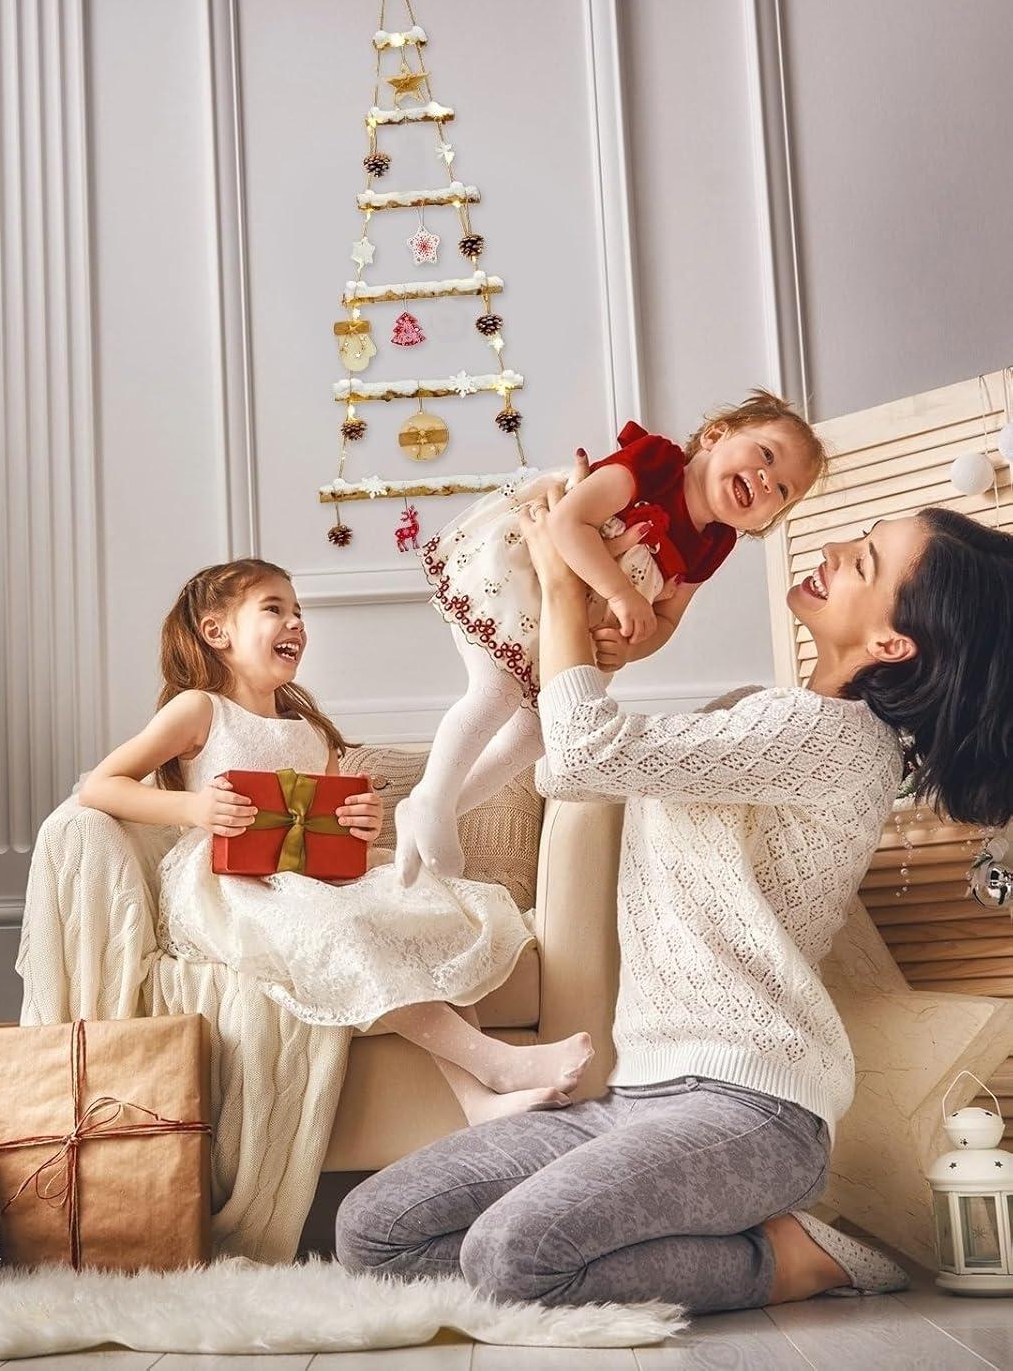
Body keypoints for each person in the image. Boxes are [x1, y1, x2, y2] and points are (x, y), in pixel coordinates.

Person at [338, 483, 1013, 1311]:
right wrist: (607, 636)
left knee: (513, 1258)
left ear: (891, 641)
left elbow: (585, 754)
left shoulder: (839, 743)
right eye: (859, 536)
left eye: (863, 562)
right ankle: (694, 1238)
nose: (835, 551)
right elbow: (565, 761)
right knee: (373, 1230)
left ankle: (790, 1260)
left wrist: (560, 579)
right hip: (635, 1093)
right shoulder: (755, 713)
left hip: (752, 1110)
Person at [79, 558, 595, 1124]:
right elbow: (99, 786)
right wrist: (194, 807)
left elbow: (326, 828)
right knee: (345, 929)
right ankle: (497, 1065)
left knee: (421, 906)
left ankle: (478, 1102)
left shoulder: (310, 730)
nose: (295, 623)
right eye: (274, 609)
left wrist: (361, 824)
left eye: (299, 612)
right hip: (230, 886)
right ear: (216, 631)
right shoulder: (200, 709)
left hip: (310, 878)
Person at [401, 392, 826, 880]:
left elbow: (666, 620)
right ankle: (432, 796)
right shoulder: (658, 463)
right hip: (522, 577)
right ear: (714, 437)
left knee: (540, 731)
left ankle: (440, 806)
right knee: (494, 690)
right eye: (766, 456)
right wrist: (622, 593)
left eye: (783, 490)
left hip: (570, 621)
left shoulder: (714, 542)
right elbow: (569, 521)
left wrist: (630, 644)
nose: (766, 480)